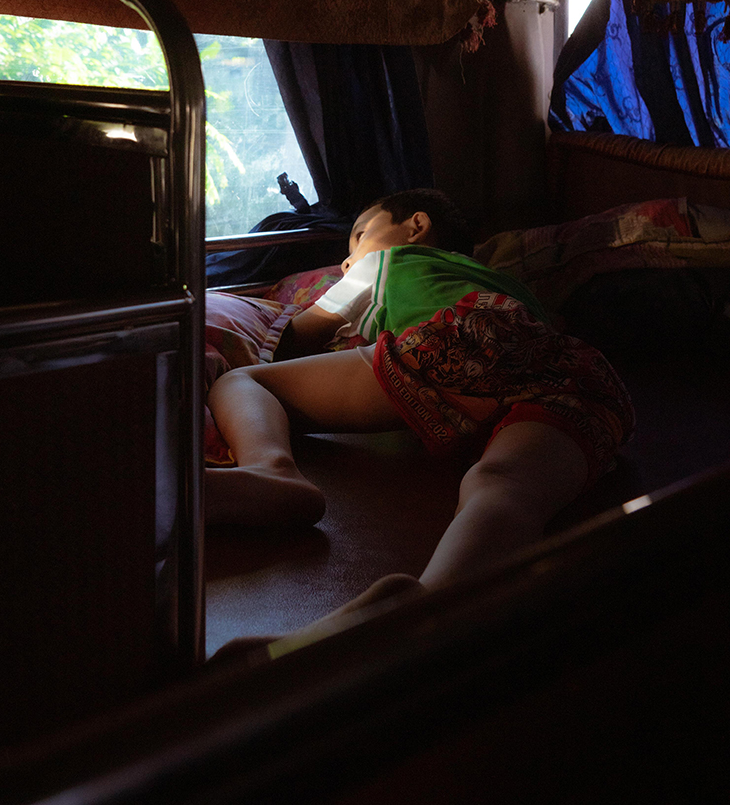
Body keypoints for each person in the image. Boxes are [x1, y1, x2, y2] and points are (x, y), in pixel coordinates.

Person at [205, 189, 635, 633]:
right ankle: (434, 599)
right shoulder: (509, 286)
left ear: (416, 226)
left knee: (242, 380)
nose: (349, 259)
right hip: (578, 375)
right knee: (505, 486)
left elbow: (293, 337)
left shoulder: (387, 263)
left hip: (459, 341)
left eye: (359, 236)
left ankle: (271, 471)